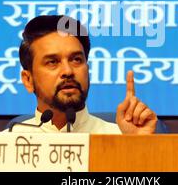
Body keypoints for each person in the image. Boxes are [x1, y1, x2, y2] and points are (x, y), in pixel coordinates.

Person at [11, 15, 158, 134]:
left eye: (76, 60)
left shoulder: (121, 138)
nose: (68, 71)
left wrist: (139, 147)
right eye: (52, 62)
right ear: (28, 80)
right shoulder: (6, 146)